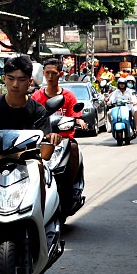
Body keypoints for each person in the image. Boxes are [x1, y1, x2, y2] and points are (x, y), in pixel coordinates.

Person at [0, 55, 59, 194]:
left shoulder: (39, 111)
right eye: (11, 78)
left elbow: (46, 155)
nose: (15, 84)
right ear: (4, 78)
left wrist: (52, 140)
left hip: (28, 164)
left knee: (39, 169)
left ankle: (39, 214)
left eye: (21, 80)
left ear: (30, 82)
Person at [31, 57, 85, 188]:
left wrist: (79, 120)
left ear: (60, 74)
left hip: (64, 140)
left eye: (54, 73)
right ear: (43, 73)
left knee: (74, 148)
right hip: (42, 140)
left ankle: (72, 186)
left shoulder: (69, 96)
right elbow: (29, 117)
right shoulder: (36, 97)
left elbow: (75, 115)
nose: (50, 76)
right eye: (47, 73)